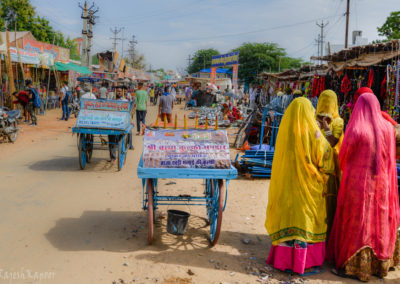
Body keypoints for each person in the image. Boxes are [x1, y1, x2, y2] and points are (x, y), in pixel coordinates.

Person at [327, 92, 400, 282]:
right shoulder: (387, 128)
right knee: (379, 221)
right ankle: (380, 264)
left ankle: (354, 267)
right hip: (383, 184)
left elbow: (343, 156)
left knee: (358, 223)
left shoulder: (357, 128)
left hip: (358, 184)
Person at [265, 97, 335, 275]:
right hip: (309, 190)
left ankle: (284, 259)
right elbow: (326, 161)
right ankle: (304, 261)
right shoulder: (315, 134)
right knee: (306, 220)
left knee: (289, 218)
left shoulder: (286, 135)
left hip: (287, 187)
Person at [315, 90, 344, 238]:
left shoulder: (338, 121)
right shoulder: (312, 118)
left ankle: (327, 238)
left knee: (329, 205)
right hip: (314, 169)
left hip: (330, 171)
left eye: (329, 102)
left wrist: (325, 126)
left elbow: (333, 142)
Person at [108, 86, 128, 162]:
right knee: (111, 140)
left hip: (121, 124)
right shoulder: (111, 101)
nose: (119, 92)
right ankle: (112, 157)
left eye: (120, 91)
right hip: (112, 123)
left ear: (122, 92)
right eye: (117, 91)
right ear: (115, 92)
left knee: (120, 139)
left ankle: (120, 154)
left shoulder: (125, 101)